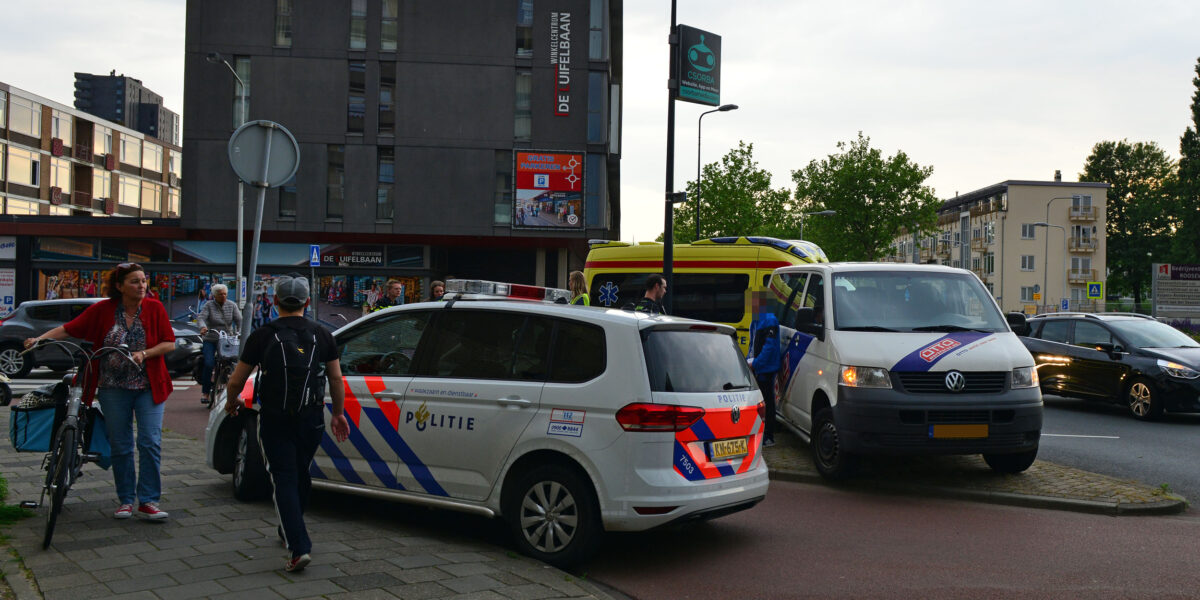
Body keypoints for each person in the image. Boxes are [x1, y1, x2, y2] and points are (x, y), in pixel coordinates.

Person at [25, 262, 176, 520]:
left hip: (149, 387)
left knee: (150, 442)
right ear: (119, 286)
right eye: (134, 281)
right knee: (121, 444)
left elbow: (169, 343)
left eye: (143, 281)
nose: (141, 286)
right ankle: (126, 500)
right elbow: (68, 329)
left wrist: (145, 353)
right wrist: (40, 339)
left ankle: (149, 500)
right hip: (112, 388)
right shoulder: (103, 310)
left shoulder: (155, 308)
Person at [225, 274, 349, 573]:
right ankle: (289, 528)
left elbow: (236, 381)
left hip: (274, 416)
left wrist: (232, 402)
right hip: (311, 417)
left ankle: (298, 546)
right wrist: (338, 413)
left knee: (282, 477)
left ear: (276, 301)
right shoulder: (323, 334)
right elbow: (335, 378)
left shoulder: (263, 334)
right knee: (300, 472)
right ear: (307, 302)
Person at [197, 283, 242, 404]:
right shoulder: (209, 305)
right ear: (214, 295)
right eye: (220, 294)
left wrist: (239, 331)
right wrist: (203, 327)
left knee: (233, 361)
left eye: (225, 294)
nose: (223, 296)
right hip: (211, 338)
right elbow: (201, 318)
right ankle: (205, 393)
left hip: (227, 338)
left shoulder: (232, 305)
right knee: (208, 363)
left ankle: (231, 384)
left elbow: (239, 320)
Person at [748, 312, 781, 447]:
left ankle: (768, 436)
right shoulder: (756, 320)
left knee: (767, 402)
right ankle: (761, 433)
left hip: (766, 368)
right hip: (759, 367)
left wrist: (755, 364)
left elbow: (769, 347)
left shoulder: (769, 320)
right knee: (760, 402)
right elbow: (752, 345)